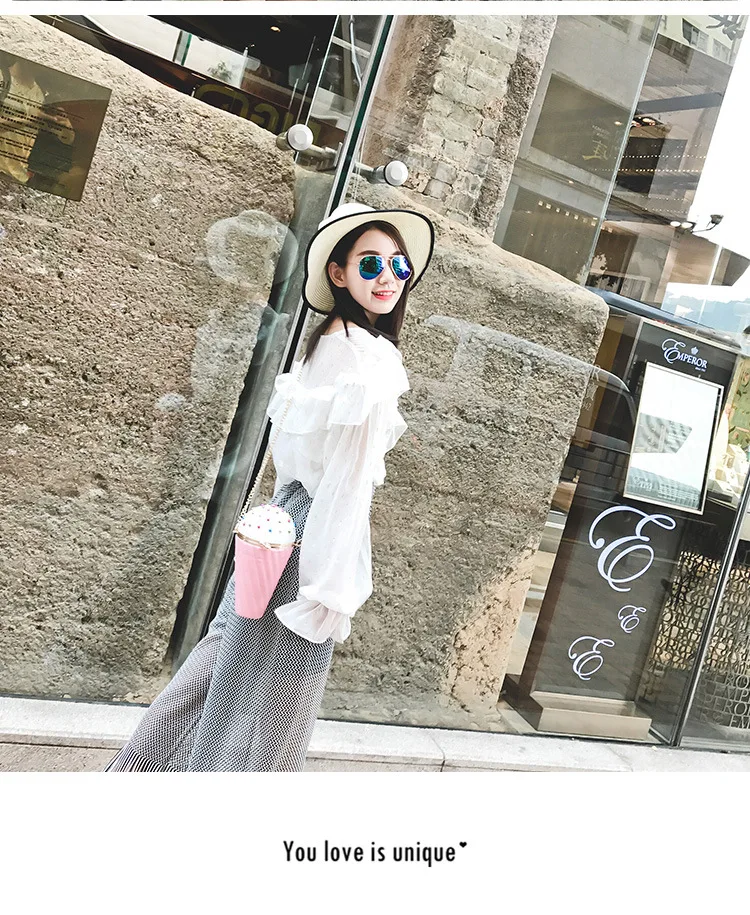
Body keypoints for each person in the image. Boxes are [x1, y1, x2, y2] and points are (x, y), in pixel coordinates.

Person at [104, 201, 435, 772]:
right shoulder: (369, 355)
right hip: (315, 533)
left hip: (282, 522)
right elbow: (348, 482)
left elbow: (295, 456)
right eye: (371, 263)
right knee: (269, 708)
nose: (389, 277)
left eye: (398, 265)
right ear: (338, 273)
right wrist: (330, 586)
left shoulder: (325, 341)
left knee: (217, 670)